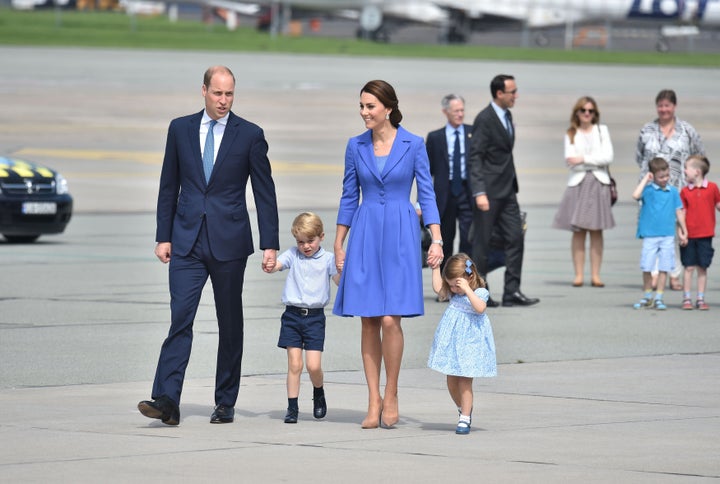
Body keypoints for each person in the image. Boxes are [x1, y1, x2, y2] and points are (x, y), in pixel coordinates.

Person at [138, 66, 280, 426]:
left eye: (230, 94)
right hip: (185, 241)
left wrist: (270, 244)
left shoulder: (249, 134)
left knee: (229, 323)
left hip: (230, 243)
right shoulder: (180, 129)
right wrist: (163, 235)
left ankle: (225, 401)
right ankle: (167, 399)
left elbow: (264, 193)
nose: (224, 101)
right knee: (180, 319)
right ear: (203, 91)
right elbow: (168, 185)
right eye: (218, 93)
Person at [333, 80, 443, 429]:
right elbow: (349, 195)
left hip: (399, 231)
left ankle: (392, 392)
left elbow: (427, 194)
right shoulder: (355, 145)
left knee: (390, 319)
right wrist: (338, 243)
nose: (364, 112)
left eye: (370, 106)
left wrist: (437, 240)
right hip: (365, 231)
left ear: (388, 108)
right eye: (362, 106)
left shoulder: (414, 144)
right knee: (367, 318)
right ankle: (373, 398)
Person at [467, 74, 539, 307]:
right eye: (512, 92)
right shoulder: (484, 119)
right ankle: (480, 292)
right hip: (487, 192)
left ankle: (512, 291)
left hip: (508, 191)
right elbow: (475, 157)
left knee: (516, 237)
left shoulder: (507, 115)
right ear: (499, 93)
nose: (516, 96)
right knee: (482, 243)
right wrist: (479, 192)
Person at [267, 212, 340, 423]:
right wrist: (270, 265)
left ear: (321, 237)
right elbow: (278, 265)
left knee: (313, 366)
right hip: (292, 316)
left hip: (315, 318)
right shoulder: (293, 255)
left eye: (310, 241)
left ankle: (318, 392)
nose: (306, 246)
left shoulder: (328, 259)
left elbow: (338, 280)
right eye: (301, 242)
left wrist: (344, 272)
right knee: (295, 364)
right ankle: (292, 407)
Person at [636, 89, 705, 291]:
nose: (663, 109)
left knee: (675, 232)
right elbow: (639, 156)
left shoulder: (686, 130)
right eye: (660, 105)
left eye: (667, 105)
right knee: (653, 232)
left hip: (678, 189)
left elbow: (699, 155)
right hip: (651, 191)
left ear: (674, 107)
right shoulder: (647, 130)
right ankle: (655, 274)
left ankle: (674, 274)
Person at [427, 253, 497, 435]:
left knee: (465, 381)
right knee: (451, 380)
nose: (452, 288)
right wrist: (435, 267)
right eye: (450, 285)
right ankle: (463, 408)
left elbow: (480, 308)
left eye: (455, 284)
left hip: (470, 343)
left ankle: (465, 417)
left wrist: (467, 290)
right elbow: (438, 289)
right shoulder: (452, 292)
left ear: (469, 276)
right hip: (453, 342)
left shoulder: (480, 292)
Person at [552, 96, 615, 287]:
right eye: (583, 110)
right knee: (578, 231)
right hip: (578, 184)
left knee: (596, 231)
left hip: (598, 183)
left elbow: (608, 157)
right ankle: (578, 274)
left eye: (591, 111)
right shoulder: (571, 133)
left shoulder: (602, 131)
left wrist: (583, 159)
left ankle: (596, 275)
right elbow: (570, 161)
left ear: (595, 114)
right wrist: (590, 160)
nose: (587, 114)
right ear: (577, 113)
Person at [632, 157, 687, 310]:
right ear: (653, 175)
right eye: (661, 177)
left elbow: (679, 211)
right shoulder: (648, 190)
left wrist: (684, 229)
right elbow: (635, 195)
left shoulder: (673, 191)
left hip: (667, 235)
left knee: (664, 268)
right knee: (647, 267)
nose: (665, 179)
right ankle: (648, 296)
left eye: (667, 176)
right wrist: (645, 179)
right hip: (650, 235)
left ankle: (659, 297)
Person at [425, 94, 473, 270]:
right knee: (446, 239)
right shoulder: (435, 137)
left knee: (469, 239)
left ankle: (466, 280)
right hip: (445, 195)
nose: (460, 114)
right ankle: (446, 284)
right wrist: (420, 202)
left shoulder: (473, 133)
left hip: (468, 193)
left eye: (462, 110)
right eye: (456, 111)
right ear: (445, 112)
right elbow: (426, 173)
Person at [679, 155, 720, 310]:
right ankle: (687, 298)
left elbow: (718, 204)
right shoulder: (684, 191)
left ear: (696, 172)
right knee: (688, 267)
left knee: (702, 267)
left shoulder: (712, 188)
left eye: (686, 168)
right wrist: (682, 232)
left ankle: (700, 298)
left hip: (705, 235)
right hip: (689, 235)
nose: (684, 171)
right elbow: (681, 213)